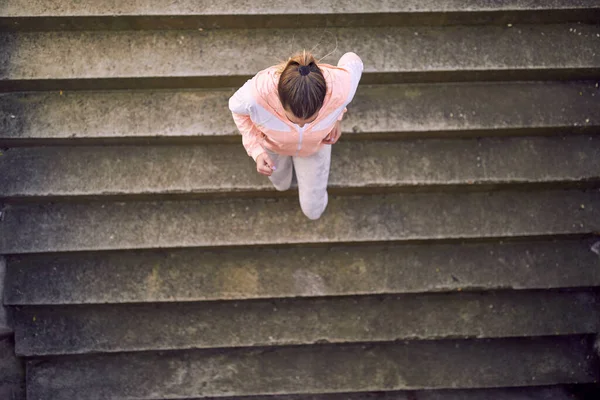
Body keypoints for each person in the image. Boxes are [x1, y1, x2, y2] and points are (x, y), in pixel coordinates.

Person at [229, 50, 363, 220]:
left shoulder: (342, 85)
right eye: (295, 120)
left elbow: (352, 59)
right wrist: (256, 149)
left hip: (315, 148)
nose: (302, 126)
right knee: (281, 184)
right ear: (280, 102)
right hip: (273, 146)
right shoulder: (255, 96)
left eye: (310, 120)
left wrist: (336, 117)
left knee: (313, 211)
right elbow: (237, 111)